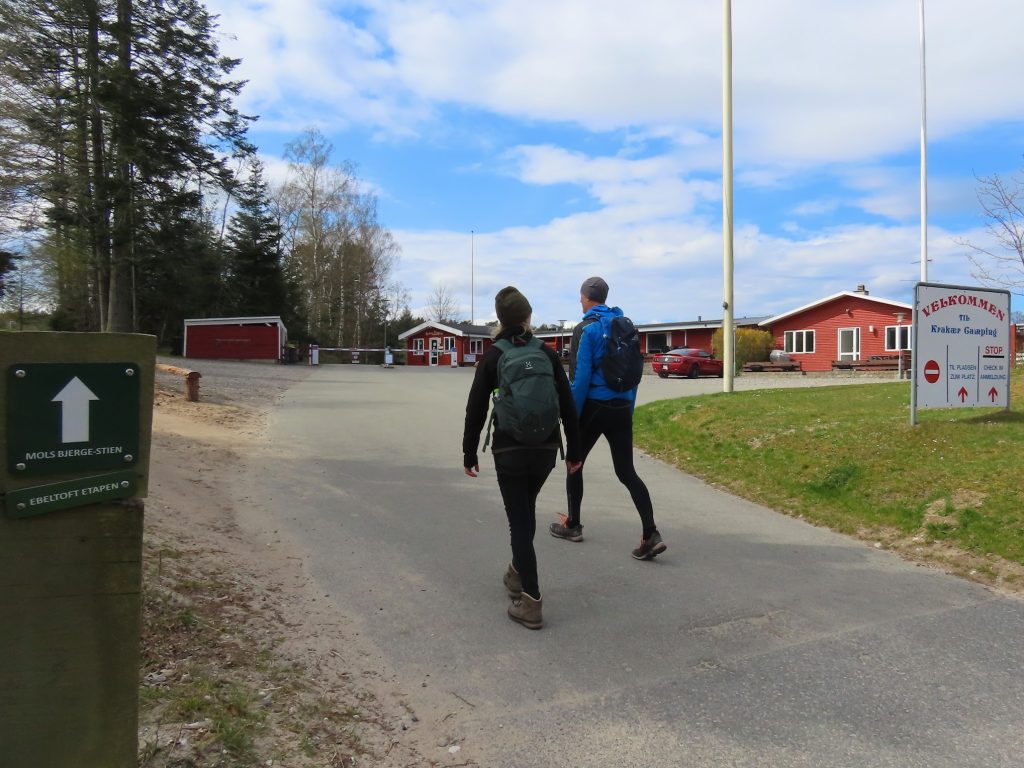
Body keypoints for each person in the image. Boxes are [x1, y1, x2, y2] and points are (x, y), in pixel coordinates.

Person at [463, 286, 582, 630]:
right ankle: (516, 573)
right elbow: (567, 404)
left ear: (500, 321)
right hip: (546, 449)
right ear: (528, 317)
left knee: (519, 520)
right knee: (525, 511)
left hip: (509, 449)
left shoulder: (494, 355)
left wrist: (469, 453)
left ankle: (530, 600)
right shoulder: (545, 353)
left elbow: (476, 407)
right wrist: (574, 451)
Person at [549, 276, 667, 560]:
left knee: (574, 464)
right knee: (627, 472)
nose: (579, 301)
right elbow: (633, 375)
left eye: (580, 297)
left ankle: (573, 525)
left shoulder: (585, 329)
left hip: (594, 407)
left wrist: (571, 420)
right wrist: (629, 408)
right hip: (621, 408)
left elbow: (579, 380)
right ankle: (650, 533)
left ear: (587, 298)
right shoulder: (625, 326)